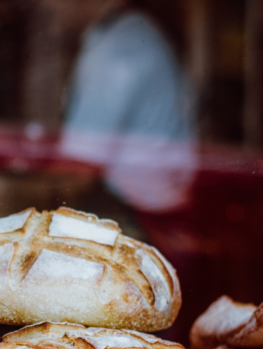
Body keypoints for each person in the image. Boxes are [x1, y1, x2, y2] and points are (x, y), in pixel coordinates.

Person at [59, 5, 197, 212]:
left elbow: (82, 163)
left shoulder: (116, 49)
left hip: (137, 205)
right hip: (159, 200)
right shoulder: (137, 31)